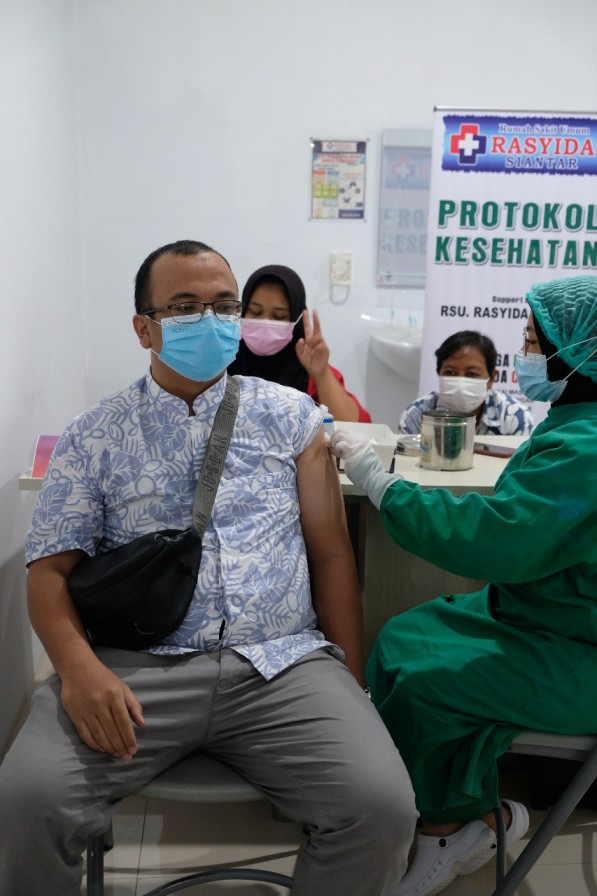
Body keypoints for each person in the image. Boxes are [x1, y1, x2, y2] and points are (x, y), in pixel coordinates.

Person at [0, 240, 416, 896]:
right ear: (144, 328)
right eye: (185, 307)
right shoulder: (94, 435)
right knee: (26, 799)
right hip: (135, 669)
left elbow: (331, 554)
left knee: (382, 809)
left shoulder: (291, 418)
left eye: (224, 306)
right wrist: (78, 672)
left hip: (280, 665)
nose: (212, 320)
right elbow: (47, 573)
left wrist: (349, 682)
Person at [329, 275, 597, 896]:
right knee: (403, 637)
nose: (524, 355)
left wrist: (386, 487)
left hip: (578, 650)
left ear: (579, 351)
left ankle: (446, 827)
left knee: (427, 682)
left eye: (534, 342)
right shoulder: (574, 421)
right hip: (543, 617)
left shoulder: (587, 448)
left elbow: (498, 536)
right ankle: (472, 813)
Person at [228, 263, 372, 422]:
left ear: (297, 320)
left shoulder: (311, 369)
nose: (265, 322)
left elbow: (352, 425)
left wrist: (321, 374)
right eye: (256, 312)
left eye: (279, 316)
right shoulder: (226, 360)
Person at [398, 329, 534, 436]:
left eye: (471, 374)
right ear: (439, 373)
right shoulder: (417, 415)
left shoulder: (515, 418)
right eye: (450, 373)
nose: (460, 384)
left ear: (491, 378)